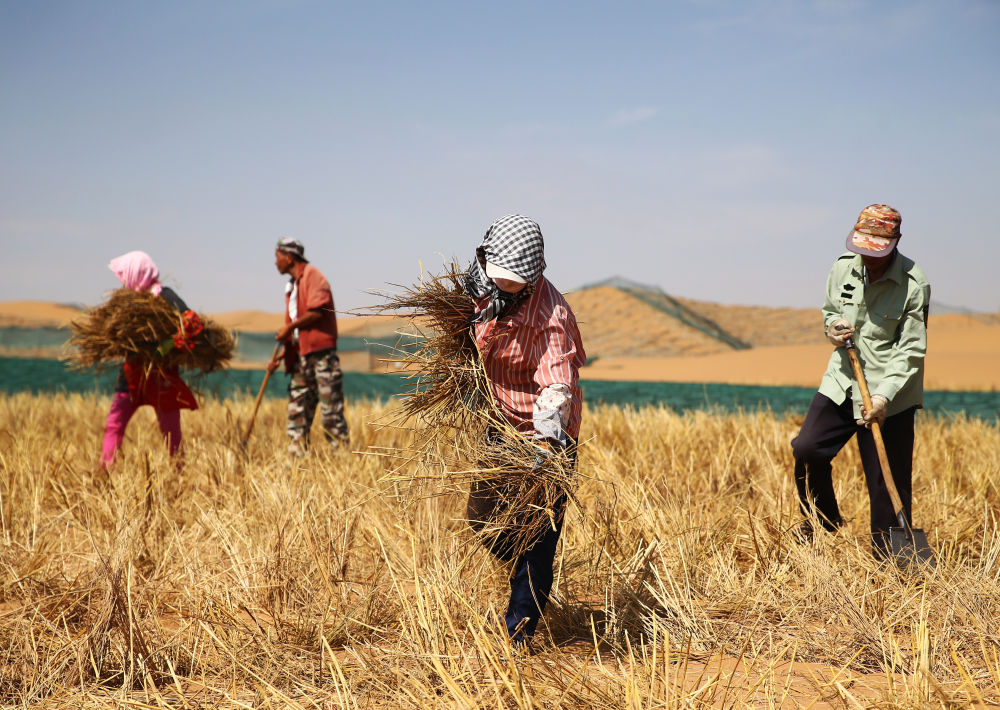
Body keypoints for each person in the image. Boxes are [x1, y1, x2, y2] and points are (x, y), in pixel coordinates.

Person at [463, 214, 586, 648]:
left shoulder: (552, 316)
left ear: (534, 274)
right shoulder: (480, 284)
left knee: (537, 537)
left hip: (544, 438)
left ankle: (519, 632)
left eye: (514, 280)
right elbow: (465, 331)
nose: (504, 284)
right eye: (499, 276)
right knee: (482, 521)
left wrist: (548, 442)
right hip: (500, 424)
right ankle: (522, 564)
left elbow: (556, 383)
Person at [791, 204, 930, 558]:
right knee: (807, 448)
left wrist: (883, 398)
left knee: (887, 482)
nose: (867, 257)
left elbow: (911, 350)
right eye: (862, 249)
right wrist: (834, 328)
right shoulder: (843, 268)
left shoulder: (915, 284)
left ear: (895, 242)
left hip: (891, 393)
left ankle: (892, 562)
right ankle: (822, 520)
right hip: (843, 378)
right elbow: (831, 311)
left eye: (876, 251)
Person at [100, 251, 198, 468]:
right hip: (131, 375)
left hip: (162, 375)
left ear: (138, 272)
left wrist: (166, 346)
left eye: (126, 275)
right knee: (114, 424)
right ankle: (104, 471)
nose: (123, 281)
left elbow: (191, 322)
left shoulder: (164, 296)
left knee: (170, 429)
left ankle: (179, 474)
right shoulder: (128, 300)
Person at [267, 238, 349, 455]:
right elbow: (297, 334)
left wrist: (289, 327)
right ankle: (297, 458)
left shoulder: (313, 276)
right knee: (298, 409)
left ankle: (340, 456)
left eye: (277, 257)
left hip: (322, 356)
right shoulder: (292, 286)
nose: (275, 263)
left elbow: (316, 312)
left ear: (289, 257)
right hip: (301, 356)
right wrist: (282, 356)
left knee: (331, 411)